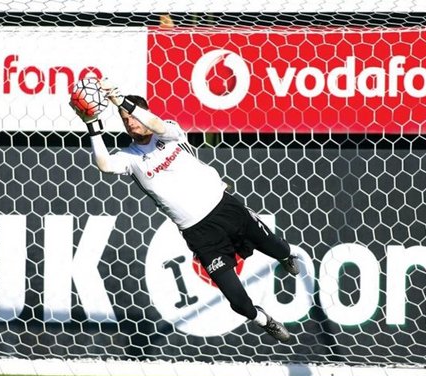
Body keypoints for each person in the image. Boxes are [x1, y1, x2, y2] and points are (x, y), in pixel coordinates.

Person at [70, 77, 298, 343]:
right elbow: (105, 165)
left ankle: (284, 257)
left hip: (225, 208)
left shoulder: (169, 132)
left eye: (132, 116)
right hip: (200, 234)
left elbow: (154, 124)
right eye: (124, 120)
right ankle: (264, 320)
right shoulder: (130, 158)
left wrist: (120, 100)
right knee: (238, 302)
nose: (130, 122)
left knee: (279, 248)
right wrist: (91, 125)